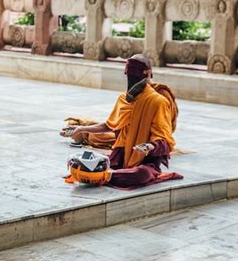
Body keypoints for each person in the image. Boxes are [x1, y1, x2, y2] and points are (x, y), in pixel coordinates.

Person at [61, 54, 180, 188]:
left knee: (142, 174)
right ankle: (106, 175)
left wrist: (150, 146)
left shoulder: (158, 101)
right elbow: (109, 125)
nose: (131, 80)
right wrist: (81, 129)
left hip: (147, 159)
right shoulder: (123, 98)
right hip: (121, 153)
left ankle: (103, 176)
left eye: (134, 75)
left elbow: (164, 138)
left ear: (148, 73)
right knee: (96, 162)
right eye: (129, 75)